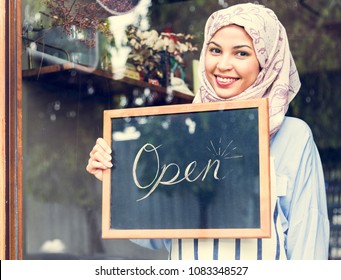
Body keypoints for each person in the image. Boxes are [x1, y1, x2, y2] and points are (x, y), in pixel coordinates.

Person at [86, 3, 330, 259]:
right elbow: (154, 234)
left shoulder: (294, 136)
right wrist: (116, 181)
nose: (223, 65)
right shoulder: (184, 129)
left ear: (266, 62)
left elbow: (309, 244)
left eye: (241, 53)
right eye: (215, 50)